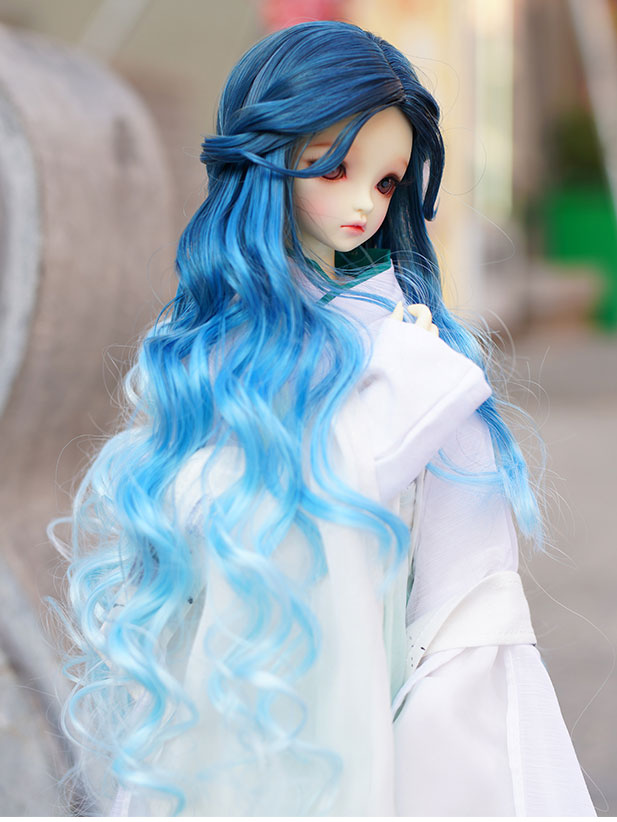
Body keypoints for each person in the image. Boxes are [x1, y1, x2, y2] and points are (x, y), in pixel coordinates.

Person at [50, 20, 596, 816]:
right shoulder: (198, 362)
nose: (364, 204)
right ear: (265, 163)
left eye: (386, 181)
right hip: (206, 767)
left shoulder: (415, 376)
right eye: (334, 167)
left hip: (360, 770)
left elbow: (467, 629)